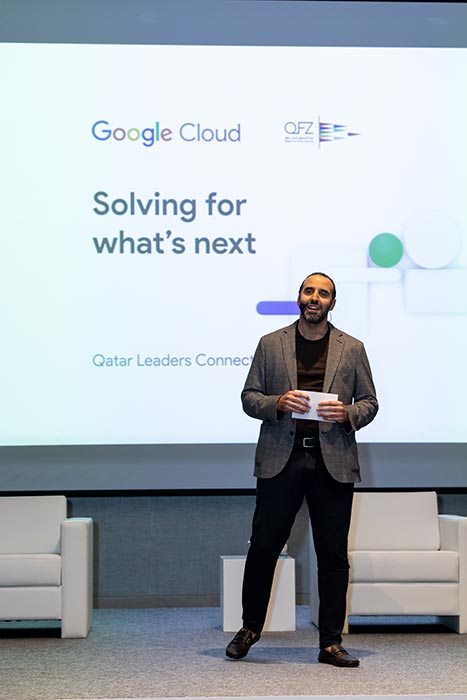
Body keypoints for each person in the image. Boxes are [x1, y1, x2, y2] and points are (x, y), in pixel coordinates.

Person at [225, 272, 378, 667]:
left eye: (323, 293)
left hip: (332, 462)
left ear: (332, 303)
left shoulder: (352, 348)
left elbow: (370, 402)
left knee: (332, 555)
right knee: (264, 547)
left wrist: (347, 414)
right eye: (309, 291)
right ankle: (249, 629)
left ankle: (330, 643)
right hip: (282, 459)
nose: (315, 298)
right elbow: (249, 397)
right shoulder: (270, 343)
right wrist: (277, 403)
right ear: (299, 298)